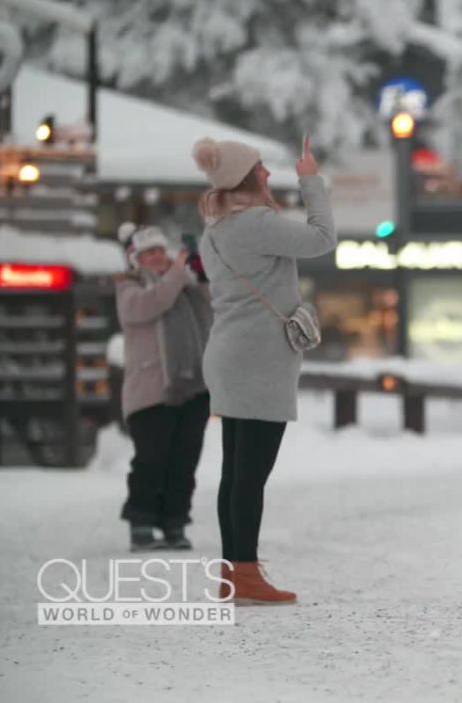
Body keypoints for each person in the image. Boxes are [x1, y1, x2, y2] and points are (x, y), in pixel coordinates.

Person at [194, 135, 336, 604]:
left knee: (236, 470)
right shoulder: (255, 224)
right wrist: (310, 180)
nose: (268, 174)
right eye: (260, 168)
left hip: (230, 353)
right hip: (258, 359)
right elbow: (322, 239)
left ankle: (236, 570)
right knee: (251, 473)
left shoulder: (214, 230)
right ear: (246, 178)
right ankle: (246, 574)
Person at [115, 223, 213, 552]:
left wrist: (198, 269)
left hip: (192, 388)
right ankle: (141, 524)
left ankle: (175, 523)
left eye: (161, 250)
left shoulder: (184, 286)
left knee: (184, 462)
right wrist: (177, 273)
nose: (158, 257)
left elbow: (212, 300)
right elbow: (151, 303)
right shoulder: (129, 289)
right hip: (150, 393)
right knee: (151, 461)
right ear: (135, 260)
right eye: (149, 252)